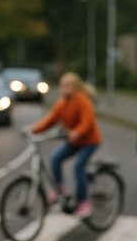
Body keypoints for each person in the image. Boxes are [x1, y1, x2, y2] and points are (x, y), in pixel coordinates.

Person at [32, 72, 102, 217]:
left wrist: (76, 132)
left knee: (78, 166)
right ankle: (60, 190)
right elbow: (51, 120)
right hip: (73, 141)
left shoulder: (83, 101)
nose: (64, 88)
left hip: (89, 141)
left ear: (76, 87)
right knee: (56, 158)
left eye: (68, 85)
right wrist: (34, 129)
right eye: (63, 85)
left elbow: (87, 122)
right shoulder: (62, 103)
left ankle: (84, 202)